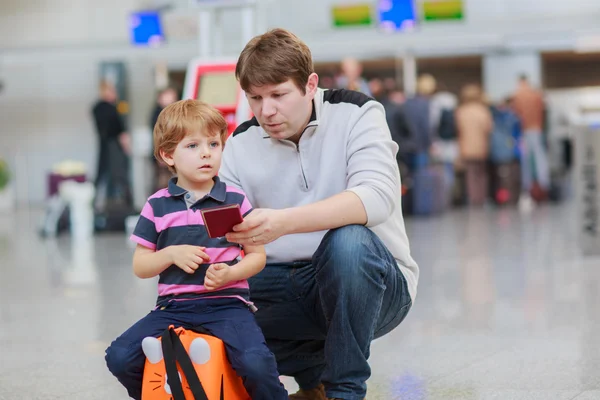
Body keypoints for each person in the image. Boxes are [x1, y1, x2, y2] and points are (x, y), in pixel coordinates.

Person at [220, 28, 418, 400]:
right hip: (281, 281)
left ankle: (344, 391)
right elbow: (224, 230)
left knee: (348, 243)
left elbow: (374, 198)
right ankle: (311, 378)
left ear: (311, 85)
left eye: (279, 95)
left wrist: (282, 222)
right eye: (255, 98)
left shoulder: (358, 113)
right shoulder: (239, 145)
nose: (266, 110)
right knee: (214, 290)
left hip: (373, 283)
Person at [104, 99, 288, 400]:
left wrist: (231, 272)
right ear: (168, 155)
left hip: (227, 306)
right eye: (192, 146)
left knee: (256, 363)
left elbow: (257, 257)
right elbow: (141, 265)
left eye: (214, 144)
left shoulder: (235, 199)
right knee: (120, 356)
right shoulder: (157, 205)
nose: (206, 153)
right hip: (173, 308)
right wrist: (170, 255)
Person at [91, 81, 132, 210]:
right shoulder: (111, 108)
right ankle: (125, 206)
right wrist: (124, 141)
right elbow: (118, 128)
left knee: (102, 176)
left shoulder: (97, 108)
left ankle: (93, 205)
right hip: (113, 146)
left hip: (104, 146)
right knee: (119, 176)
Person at [512, 74, 550, 203]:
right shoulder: (536, 95)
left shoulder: (517, 96)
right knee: (540, 160)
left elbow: (516, 114)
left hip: (524, 131)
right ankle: (544, 186)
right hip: (537, 129)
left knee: (525, 161)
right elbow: (543, 112)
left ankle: (527, 189)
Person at [455, 84, 493, 207]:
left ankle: (472, 199)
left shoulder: (461, 111)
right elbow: (489, 129)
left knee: (470, 175)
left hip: (465, 147)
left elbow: (458, 130)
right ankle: (481, 198)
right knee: (482, 174)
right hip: (481, 147)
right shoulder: (483, 111)